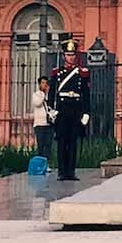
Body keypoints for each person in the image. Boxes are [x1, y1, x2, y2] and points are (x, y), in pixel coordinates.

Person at [43, 43, 90, 182]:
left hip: (76, 109)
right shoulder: (57, 73)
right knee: (62, 141)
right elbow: (52, 93)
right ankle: (62, 171)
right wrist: (51, 109)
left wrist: (86, 112)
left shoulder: (82, 73)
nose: (71, 57)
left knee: (73, 141)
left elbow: (86, 94)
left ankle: (71, 171)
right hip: (62, 110)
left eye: (73, 55)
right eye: (68, 55)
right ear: (64, 56)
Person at [31, 86, 54, 162]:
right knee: (41, 145)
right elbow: (38, 103)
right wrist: (43, 94)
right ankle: (40, 162)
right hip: (39, 124)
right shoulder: (36, 95)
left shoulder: (50, 97)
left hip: (49, 124)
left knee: (48, 145)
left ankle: (47, 163)